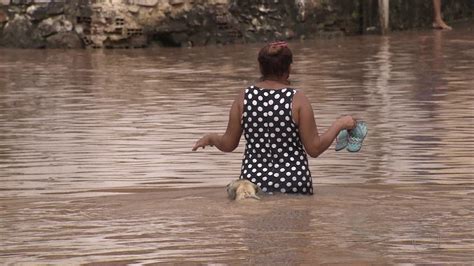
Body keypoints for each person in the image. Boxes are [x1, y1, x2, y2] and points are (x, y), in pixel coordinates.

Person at [192, 41, 356, 195]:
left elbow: (228, 144)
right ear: (289, 68)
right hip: (294, 182)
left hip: (253, 184)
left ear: (260, 67)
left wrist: (211, 138)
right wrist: (340, 124)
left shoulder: (243, 98)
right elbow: (314, 148)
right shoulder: (298, 99)